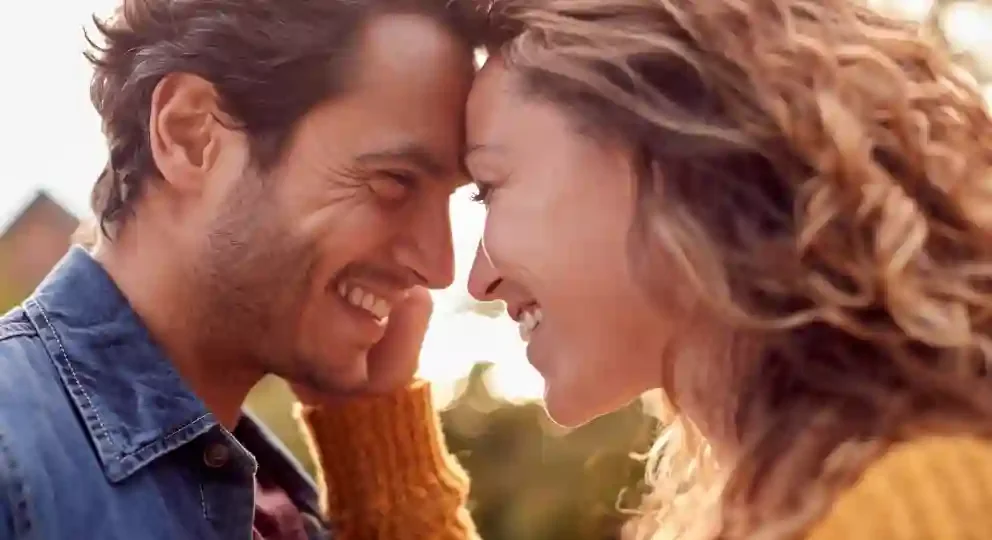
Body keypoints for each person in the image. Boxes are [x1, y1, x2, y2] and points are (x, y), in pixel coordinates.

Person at [294, 0, 992, 537]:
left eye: (490, 188)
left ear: (673, 164)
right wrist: (376, 430)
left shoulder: (913, 505)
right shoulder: (793, 500)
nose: (475, 279)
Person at [0, 0, 481, 538]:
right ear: (191, 134)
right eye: (394, 182)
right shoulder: (13, 456)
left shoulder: (271, 507)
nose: (440, 267)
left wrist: (381, 456)